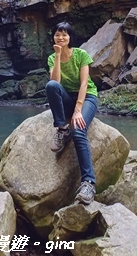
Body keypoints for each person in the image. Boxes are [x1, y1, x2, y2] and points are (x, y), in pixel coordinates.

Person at [46, 22, 98, 205]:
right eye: (57, 35)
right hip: (67, 96)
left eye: (64, 35)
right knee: (51, 86)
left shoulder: (81, 55)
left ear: (70, 38)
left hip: (87, 97)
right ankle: (61, 128)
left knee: (78, 131)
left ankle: (89, 183)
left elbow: (84, 84)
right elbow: (56, 82)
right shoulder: (53, 58)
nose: (60, 38)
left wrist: (78, 110)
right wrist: (58, 56)